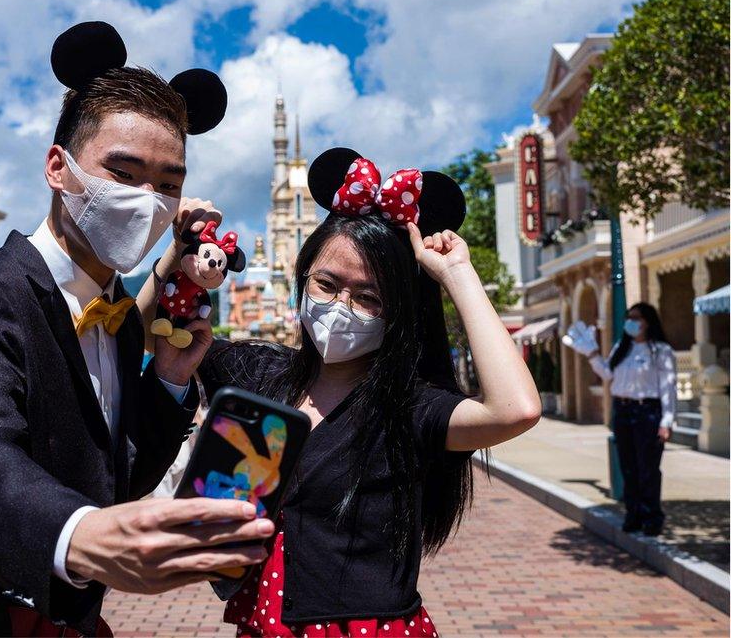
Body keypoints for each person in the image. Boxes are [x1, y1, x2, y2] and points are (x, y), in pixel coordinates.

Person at [0, 22, 275, 637]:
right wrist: (79, 533)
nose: (146, 200)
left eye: (168, 185)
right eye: (123, 174)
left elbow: (120, 473)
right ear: (58, 167)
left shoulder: (122, 317)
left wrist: (168, 380)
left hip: (77, 620)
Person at [138, 148, 542, 637]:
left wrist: (457, 274)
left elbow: (515, 409)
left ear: (398, 312)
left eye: (368, 296)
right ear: (303, 278)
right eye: (326, 284)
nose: (340, 307)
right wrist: (174, 251)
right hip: (265, 623)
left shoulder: (408, 409)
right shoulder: (262, 374)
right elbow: (146, 335)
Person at [563, 302, 677, 535]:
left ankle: (652, 516)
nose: (631, 322)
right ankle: (633, 514)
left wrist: (667, 421)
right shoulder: (621, 348)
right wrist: (592, 353)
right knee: (629, 466)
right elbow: (607, 373)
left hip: (648, 412)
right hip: (623, 411)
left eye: (637, 318)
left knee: (648, 468)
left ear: (648, 322)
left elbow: (668, 388)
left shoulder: (660, 351)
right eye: (629, 318)